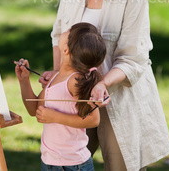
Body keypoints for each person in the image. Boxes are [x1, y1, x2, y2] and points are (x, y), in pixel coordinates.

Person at [42, 0, 169, 171]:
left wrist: (102, 83)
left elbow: (134, 58)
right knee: (67, 159)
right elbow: (59, 33)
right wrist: (58, 75)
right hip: (74, 90)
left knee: (120, 164)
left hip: (117, 95)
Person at [15, 22, 107, 171]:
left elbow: (93, 119)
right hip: (50, 161)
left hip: (73, 164)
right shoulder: (56, 77)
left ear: (66, 50)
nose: (66, 30)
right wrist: (24, 81)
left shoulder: (76, 81)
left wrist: (55, 117)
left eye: (69, 31)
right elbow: (34, 110)